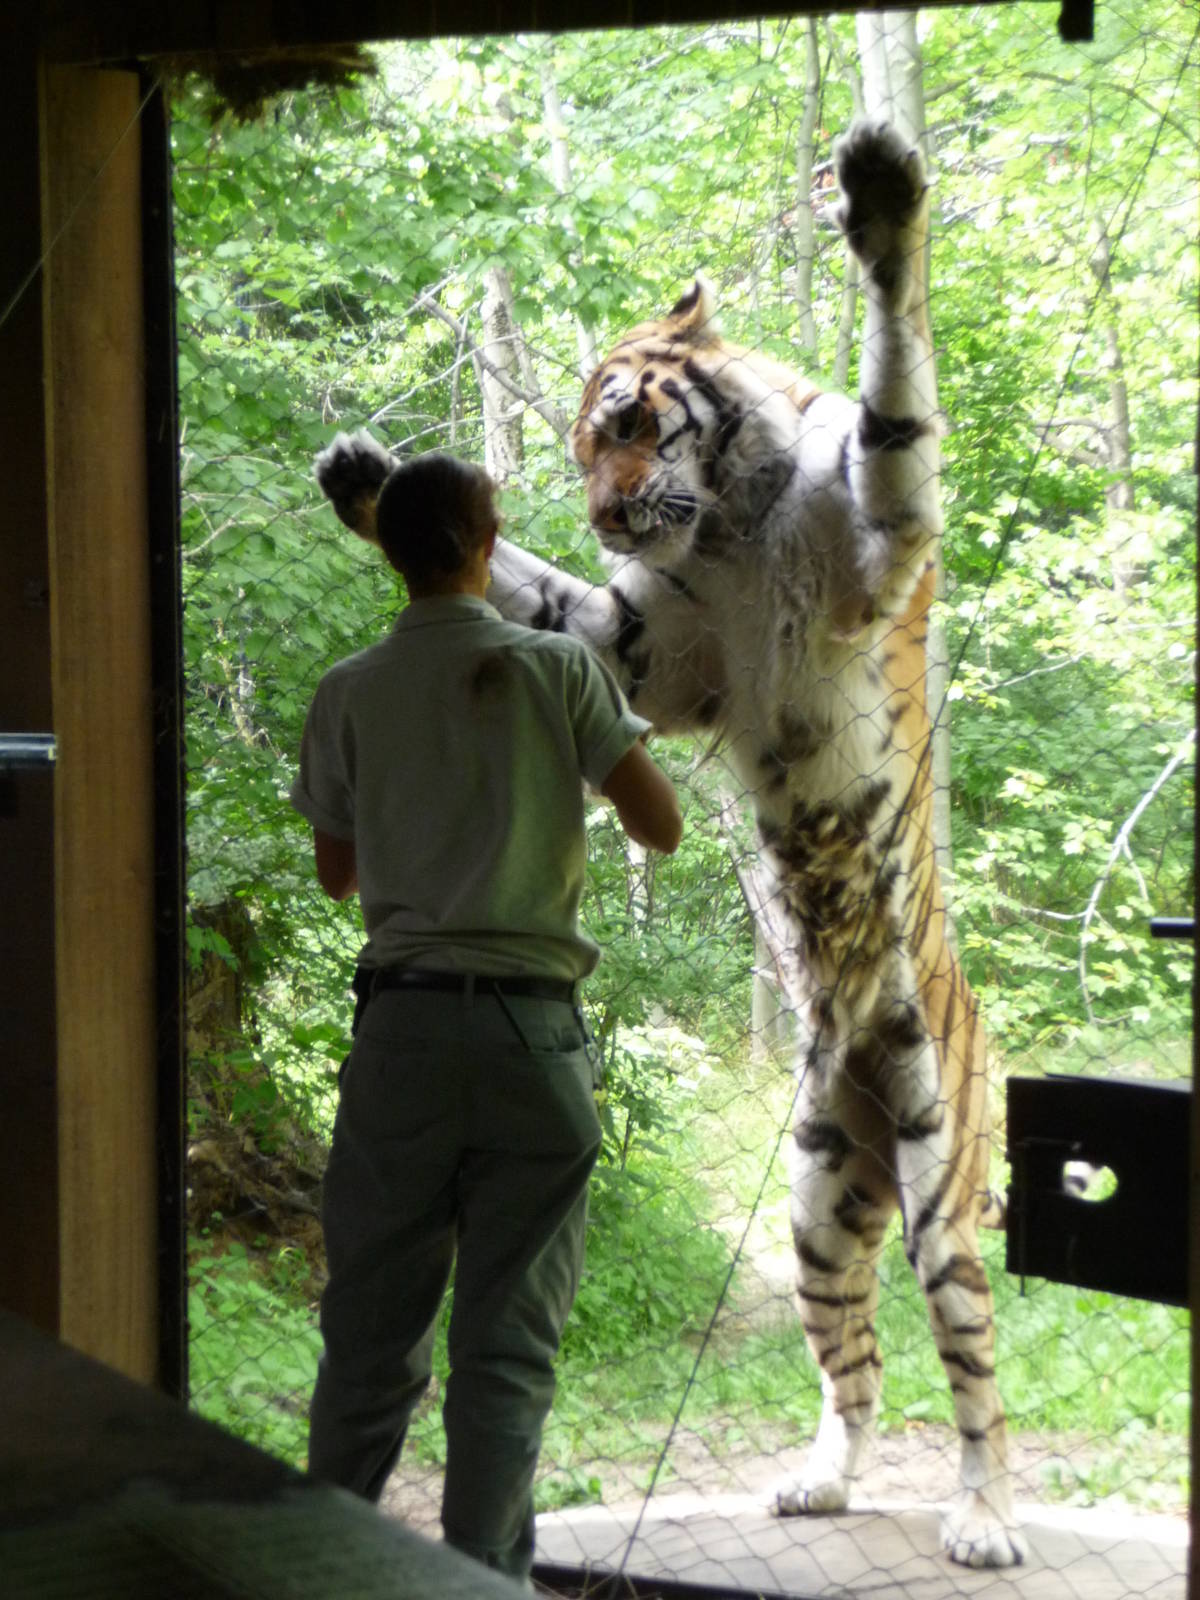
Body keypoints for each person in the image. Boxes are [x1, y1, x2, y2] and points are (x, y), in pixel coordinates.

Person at [290, 451, 682, 1584]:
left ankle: (323, 1571)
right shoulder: (558, 669)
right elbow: (659, 828)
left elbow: (336, 875)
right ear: (485, 538)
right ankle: (484, 1581)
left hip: (403, 1032)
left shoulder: (348, 687)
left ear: (388, 549)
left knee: (368, 1338)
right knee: (506, 1351)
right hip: (533, 1038)